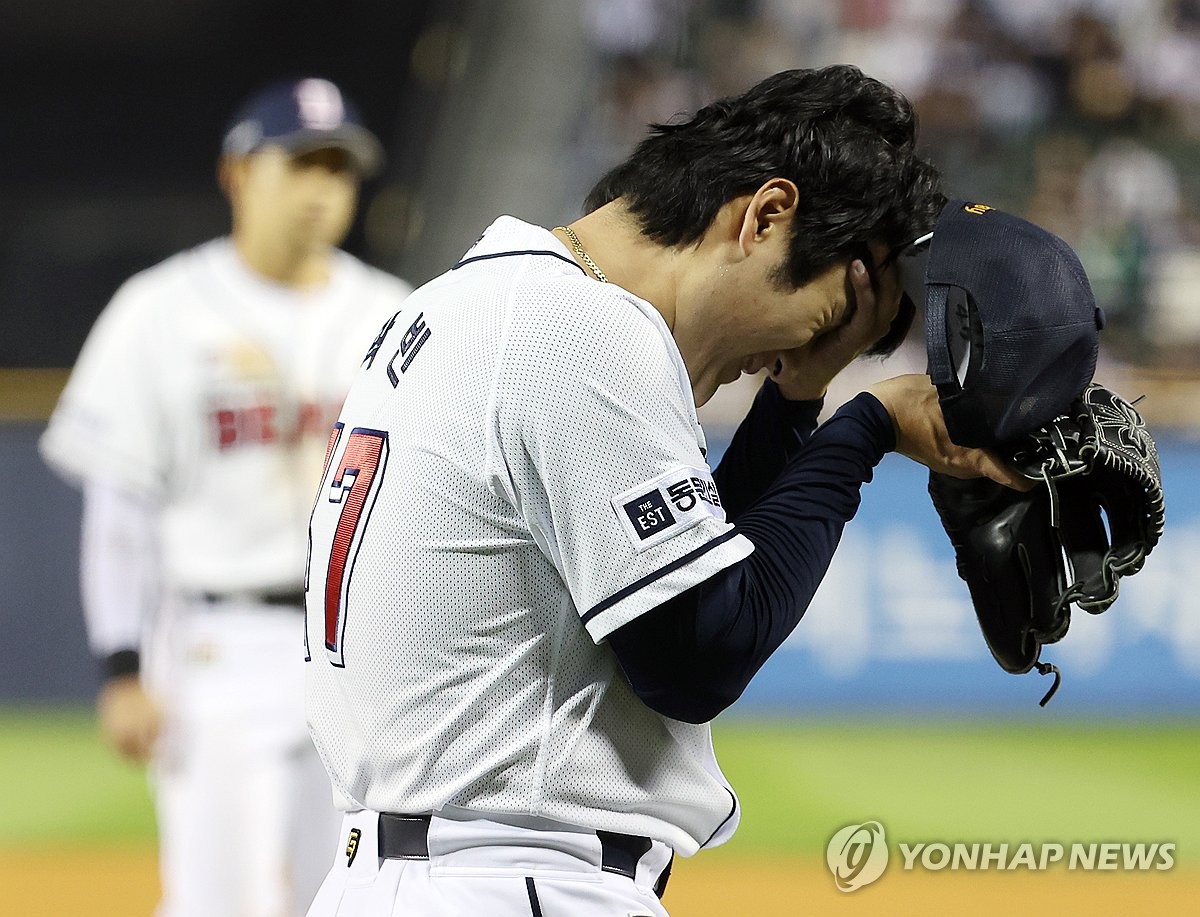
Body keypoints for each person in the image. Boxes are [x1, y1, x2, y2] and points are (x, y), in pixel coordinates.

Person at [302, 65, 1025, 917]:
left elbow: (689, 574)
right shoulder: (583, 330)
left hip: (436, 867)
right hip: (509, 878)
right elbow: (698, 650)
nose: (790, 354)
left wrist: (800, 400)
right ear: (765, 215)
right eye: (827, 318)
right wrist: (862, 429)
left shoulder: (483, 298)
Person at [40, 78, 413, 916]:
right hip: (217, 643)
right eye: (303, 164)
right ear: (239, 172)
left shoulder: (393, 315)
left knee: (361, 899)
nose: (324, 188)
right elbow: (120, 512)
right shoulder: (159, 311)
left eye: (340, 169)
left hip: (362, 651)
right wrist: (122, 666)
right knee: (219, 903)